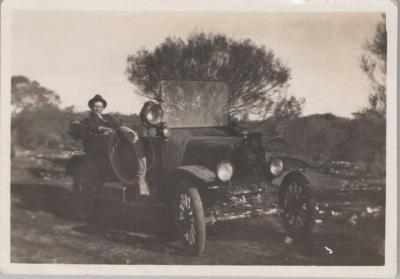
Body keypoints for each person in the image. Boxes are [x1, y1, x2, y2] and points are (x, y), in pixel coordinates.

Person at [82, 94, 150, 196]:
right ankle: (128, 179)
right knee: (124, 153)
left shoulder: (108, 117)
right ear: (92, 107)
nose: (97, 109)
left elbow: (120, 126)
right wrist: (104, 129)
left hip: (115, 142)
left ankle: (141, 185)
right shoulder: (89, 119)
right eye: (95, 106)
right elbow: (93, 127)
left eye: (100, 107)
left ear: (103, 107)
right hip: (101, 144)